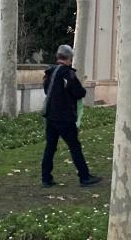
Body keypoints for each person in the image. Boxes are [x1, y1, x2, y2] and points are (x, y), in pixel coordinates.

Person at [40, 45, 100, 188]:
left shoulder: (49, 72)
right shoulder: (68, 74)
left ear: (57, 56)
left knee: (50, 147)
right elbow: (80, 92)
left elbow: (46, 90)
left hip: (51, 116)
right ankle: (84, 177)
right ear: (69, 58)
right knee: (74, 147)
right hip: (65, 117)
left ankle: (46, 178)